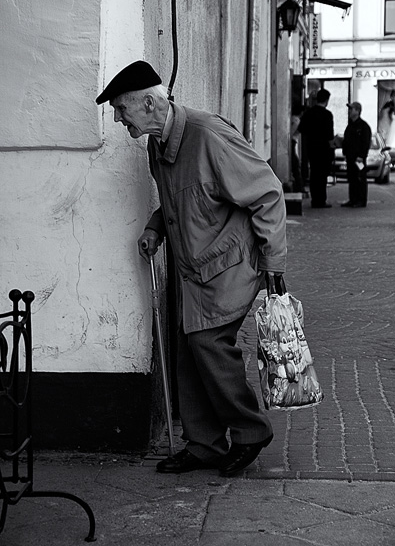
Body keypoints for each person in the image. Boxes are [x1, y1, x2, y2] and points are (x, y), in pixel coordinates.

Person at [96, 61, 287, 477]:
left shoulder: (207, 135)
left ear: (149, 103)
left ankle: (251, 431)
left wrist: (274, 264)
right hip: (195, 270)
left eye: (120, 108)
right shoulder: (156, 144)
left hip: (232, 263)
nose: (116, 117)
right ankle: (204, 444)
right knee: (188, 353)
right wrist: (154, 227)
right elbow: (183, 199)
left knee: (208, 344)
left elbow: (268, 193)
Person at [298, 88, 334, 208]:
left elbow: (301, 129)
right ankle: (321, 200)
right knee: (322, 176)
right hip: (323, 149)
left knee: (314, 174)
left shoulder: (309, 113)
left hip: (312, 148)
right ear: (327, 100)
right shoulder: (327, 115)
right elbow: (330, 135)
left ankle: (315, 200)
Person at [341, 102, 372, 208]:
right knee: (352, 177)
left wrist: (361, 155)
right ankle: (353, 199)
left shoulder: (363, 126)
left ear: (358, 111)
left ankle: (361, 200)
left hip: (359, 159)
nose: (349, 111)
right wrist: (345, 152)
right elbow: (346, 141)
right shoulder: (350, 126)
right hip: (350, 157)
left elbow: (366, 142)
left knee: (360, 177)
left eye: (352, 109)